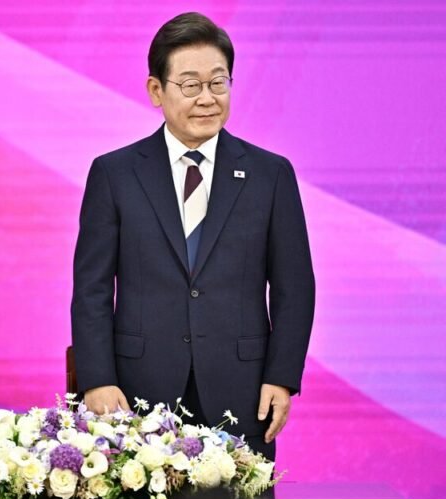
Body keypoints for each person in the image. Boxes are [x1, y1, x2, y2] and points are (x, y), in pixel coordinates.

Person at [71, 12, 315, 461]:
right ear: (156, 90)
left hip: (244, 392)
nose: (207, 98)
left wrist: (281, 377)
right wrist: (97, 379)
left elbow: (294, 288)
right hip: (137, 393)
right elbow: (92, 289)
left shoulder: (270, 175)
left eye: (218, 83)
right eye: (190, 85)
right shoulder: (115, 174)